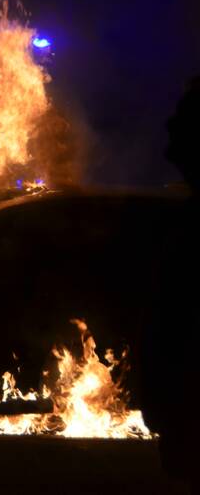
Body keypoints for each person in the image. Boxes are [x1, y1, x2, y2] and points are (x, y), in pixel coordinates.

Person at [141, 76, 199, 490]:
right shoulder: (187, 221)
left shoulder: (193, 230)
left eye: (180, 122)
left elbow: (174, 325)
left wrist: (166, 411)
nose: (167, 133)